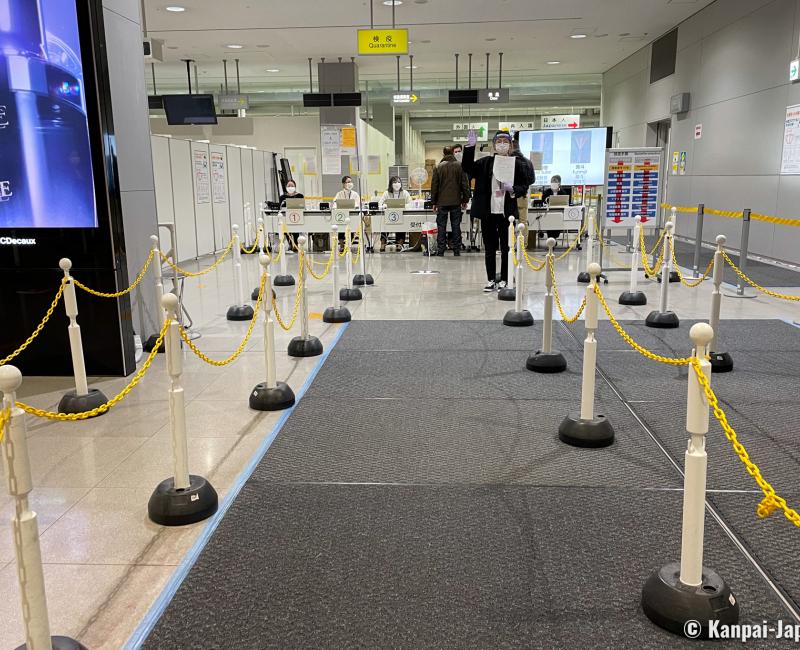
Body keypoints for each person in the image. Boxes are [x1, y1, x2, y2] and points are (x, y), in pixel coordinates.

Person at [461, 129, 529, 292]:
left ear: (511, 145)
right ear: (494, 145)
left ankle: (505, 279)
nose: (502, 145)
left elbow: (524, 186)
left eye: (505, 142)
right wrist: (470, 148)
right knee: (489, 248)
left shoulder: (516, 164)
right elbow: (467, 168)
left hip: (507, 214)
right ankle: (491, 279)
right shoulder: (485, 163)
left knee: (506, 248)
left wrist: (513, 189)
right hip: (488, 212)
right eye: (499, 142)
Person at [431, 146, 471, 256]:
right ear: (453, 154)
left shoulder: (438, 167)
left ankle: (441, 250)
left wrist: (434, 202)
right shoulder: (459, 166)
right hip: (456, 201)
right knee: (456, 225)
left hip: (442, 202)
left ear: (443, 154)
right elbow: (465, 185)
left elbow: (434, 186)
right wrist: (465, 199)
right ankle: (456, 249)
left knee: (441, 226)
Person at [512, 131, 536, 247]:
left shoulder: (508, 162)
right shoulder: (528, 162)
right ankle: (523, 245)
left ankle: (510, 244)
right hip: (523, 196)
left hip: (509, 196)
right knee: (523, 221)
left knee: (509, 222)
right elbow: (532, 180)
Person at [334, 175, 369, 252]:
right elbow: (334, 203)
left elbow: (359, 204)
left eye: (351, 182)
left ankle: (349, 244)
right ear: (343, 184)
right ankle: (342, 245)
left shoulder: (355, 194)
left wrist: (355, 206)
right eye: (348, 182)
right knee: (341, 227)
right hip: (342, 216)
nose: (350, 183)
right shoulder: (339, 194)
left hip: (353, 215)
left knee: (352, 227)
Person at [378, 175, 411, 252]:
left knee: (402, 225)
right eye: (395, 182)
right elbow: (380, 204)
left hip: (401, 215)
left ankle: (400, 243)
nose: (397, 184)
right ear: (391, 184)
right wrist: (384, 205)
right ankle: (383, 242)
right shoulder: (386, 193)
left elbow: (410, 204)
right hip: (388, 215)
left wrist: (404, 206)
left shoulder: (405, 193)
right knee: (384, 225)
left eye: (399, 182)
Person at [541, 174, 570, 241]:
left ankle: (552, 239)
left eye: (555, 182)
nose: (553, 183)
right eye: (552, 182)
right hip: (549, 214)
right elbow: (543, 200)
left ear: (559, 183)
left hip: (559, 214)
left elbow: (565, 202)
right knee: (550, 221)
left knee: (557, 221)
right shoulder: (547, 191)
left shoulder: (562, 192)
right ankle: (552, 239)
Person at [278, 180, 304, 254]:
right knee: (286, 229)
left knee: (295, 228)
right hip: (286, 217)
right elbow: (280, 207)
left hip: (297, 216)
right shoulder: (282, 197)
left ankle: (295, 244)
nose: (290, 187)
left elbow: (302, 206)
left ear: (295, 187)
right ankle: (290, 244)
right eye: (289, 186)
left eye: (292, 185)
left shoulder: (300, 196)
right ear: (286, 187)